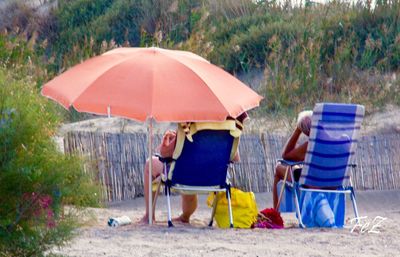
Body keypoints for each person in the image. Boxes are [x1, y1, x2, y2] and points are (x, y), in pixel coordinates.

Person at [140, 113, 249, 224]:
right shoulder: (229, 123)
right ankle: (185, 217)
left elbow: (165, 154)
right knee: (192, 166)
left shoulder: (189, 120)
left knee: (150, 164)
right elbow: (235, 157)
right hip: (214, 176)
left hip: (185, 175)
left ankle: (149, 216)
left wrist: (167, 140)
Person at [272, 110, 312, 210]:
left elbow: (286, 155)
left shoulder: (311, 145)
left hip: (312, 181)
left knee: (278, 168)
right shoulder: (340, 140)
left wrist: (297, 130)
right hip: (334, 182)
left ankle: (275, 214)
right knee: (297, 168)